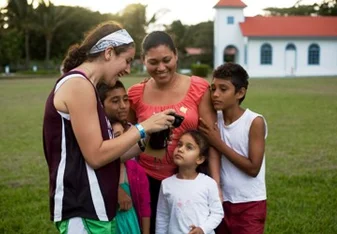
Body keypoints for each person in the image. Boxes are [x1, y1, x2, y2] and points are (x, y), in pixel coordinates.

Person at [43, 21, 175, 234]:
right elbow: (95, 156)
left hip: (96, 207)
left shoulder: (88, 88)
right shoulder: (79, 85)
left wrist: (147, 137)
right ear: (109, 52)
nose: (128, 69)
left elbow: (108, 153)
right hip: (83, 206)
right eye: (127, 60)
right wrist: (141, 127)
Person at [128, 31, 220, 233]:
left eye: (166, 60)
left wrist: (216, 184)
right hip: (146, 179)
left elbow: (211, 140)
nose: (161, 68)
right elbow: (125, 139)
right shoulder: (135, 94)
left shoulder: (198, 88)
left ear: (176, 55)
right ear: (143, 60)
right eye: (153, 62)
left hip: (189, 179)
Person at [199, 62, 268, 234]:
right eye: (213, 88)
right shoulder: (216, 119)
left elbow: (253, 168)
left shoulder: (254, 121)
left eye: (223, 89)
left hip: (250, 203)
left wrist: (218, 143)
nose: (215, 94)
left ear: (240, 92)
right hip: (221, 201)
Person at [156, 130, 223, 234]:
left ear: (200, 159)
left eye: (189, 147)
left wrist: (203, 229)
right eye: (179, 145)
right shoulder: (166, 184)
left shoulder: (208, 183)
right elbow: (162, 217)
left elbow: (217, 213)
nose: (181, 149)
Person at [111, 121, 151, 234]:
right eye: (118, 136)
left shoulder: (136, 170)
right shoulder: (98, 170)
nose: (124, 140)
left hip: (130, 224)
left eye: (126, 134)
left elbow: (145, 205)